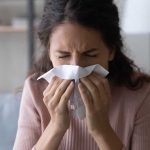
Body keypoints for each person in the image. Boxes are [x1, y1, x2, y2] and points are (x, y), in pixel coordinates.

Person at [13, 0, 150, 150]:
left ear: (111, 51)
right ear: (49, 53)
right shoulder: (35, 90)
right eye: (63, 55)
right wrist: (56, 127)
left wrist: (101, 130)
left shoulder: (141, 93)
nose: (76, 67)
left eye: (90, 54)